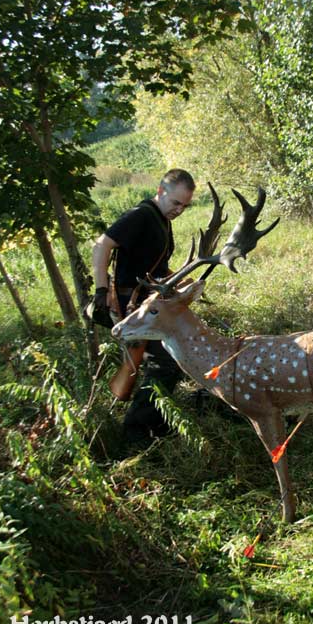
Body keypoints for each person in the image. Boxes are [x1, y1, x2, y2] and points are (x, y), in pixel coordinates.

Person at [91, 169, 195, 443]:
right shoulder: (141, 215)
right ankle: (137, 434)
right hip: (131, 306)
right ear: (160, 192)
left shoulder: (161, 219)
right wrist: (101, 290)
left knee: (168, 360)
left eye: (185, 205)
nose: (180, 210)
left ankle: (153, 423)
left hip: (148, 303)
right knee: (166, 361)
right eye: (176, 203)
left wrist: (175, 282)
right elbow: (102, 245)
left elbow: (152, 266)